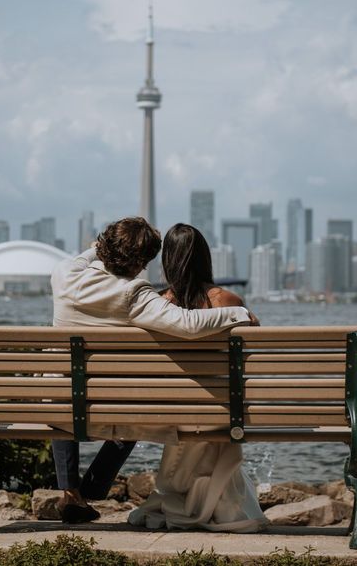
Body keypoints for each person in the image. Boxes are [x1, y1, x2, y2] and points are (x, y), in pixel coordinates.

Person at [50, 217, 258, 524]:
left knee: (65, 392)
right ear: (142, 263)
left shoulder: (63, 273)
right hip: (111, 404)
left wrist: (107, 243)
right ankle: (94, 486)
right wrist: (239, 313)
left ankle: (71, 491)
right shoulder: (135, 294)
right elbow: (188, 324)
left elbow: (88, 253)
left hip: (54, 398)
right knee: (133, 412)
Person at [128, 223, 268, 532]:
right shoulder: (229, 302)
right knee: (216, 401)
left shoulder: (160, 306)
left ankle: (180, 492)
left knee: (189, 404)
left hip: (173, 413)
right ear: (206, 258)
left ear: (168, 261)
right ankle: (218, 501)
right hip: (220, 411)